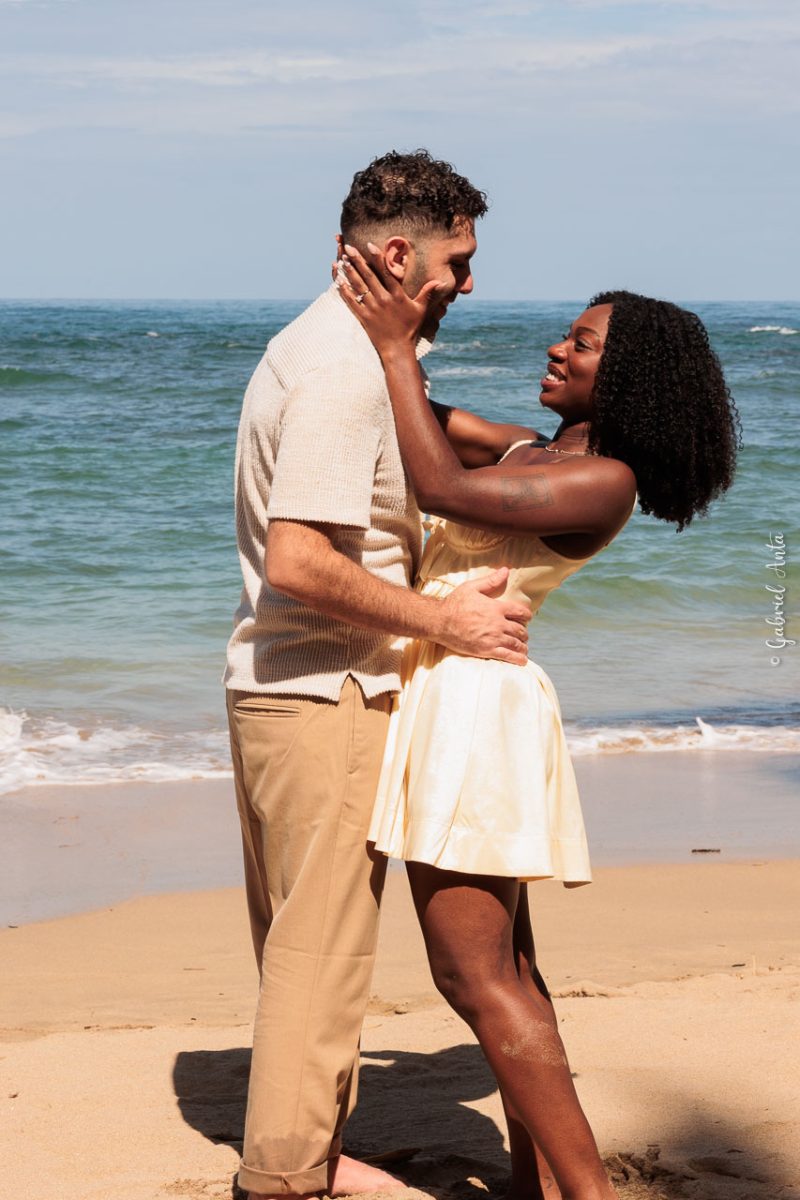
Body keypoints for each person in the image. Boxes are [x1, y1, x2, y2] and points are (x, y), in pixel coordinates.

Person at [338, 245, 740, 1200]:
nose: (560, 347)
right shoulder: (534, 449)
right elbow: (427, 429)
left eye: (584, 342)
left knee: (473, 979)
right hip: (460, 698)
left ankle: (588, 1194)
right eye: (569, 332)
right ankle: (534, 1184)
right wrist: (384, 330)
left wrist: (398, 350)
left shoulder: (604, 481)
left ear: (629, 374)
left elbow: (441, 487)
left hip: (477, 713)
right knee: (509, 967)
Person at [224, 150, 535, 1200]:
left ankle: (311, 1154)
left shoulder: (330, 347)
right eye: (457, 259)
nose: (466, 283)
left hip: (288, 691)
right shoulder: (340, 369)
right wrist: (442, 621)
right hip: (328, 698)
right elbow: (301, 560)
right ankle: (285, 1181)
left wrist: (536, 448)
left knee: (301, 953)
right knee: (320, 961)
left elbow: (424, 440)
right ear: (399, 253)